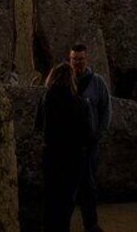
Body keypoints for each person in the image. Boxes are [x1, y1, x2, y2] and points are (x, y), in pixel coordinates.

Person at [36, 63, 91, 232]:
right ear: (71, 80)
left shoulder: (45, 99)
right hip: (73, 158)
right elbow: (87, 134)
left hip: (51, 155)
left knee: (51, 200)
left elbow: (38, 126)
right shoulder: (81, 104)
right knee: (66, 202)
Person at [69, 43, 112, 232]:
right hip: (69, 145)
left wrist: (98, 135)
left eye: (80, 59)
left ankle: (91, 224)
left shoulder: (97, 83)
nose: (77, 62)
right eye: (74, 59)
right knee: (68, 186)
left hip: (89, 144)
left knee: (89, 186)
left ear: (87, 59)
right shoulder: (65, 81)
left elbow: (106, 110)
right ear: (69, 60)